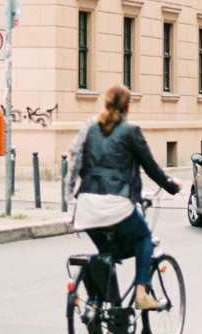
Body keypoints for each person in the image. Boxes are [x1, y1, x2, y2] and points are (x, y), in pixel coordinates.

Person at [64, 85, 178, 320]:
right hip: (117, 203)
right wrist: (171, 186)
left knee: (106, 252)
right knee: (144, 239)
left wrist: (69, 199)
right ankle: (141, 294)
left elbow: (74, 160)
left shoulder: (90, 127)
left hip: (86, 205)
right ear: (127, 106)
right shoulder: (131, 131)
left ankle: (103, 307)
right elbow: (151, 167)